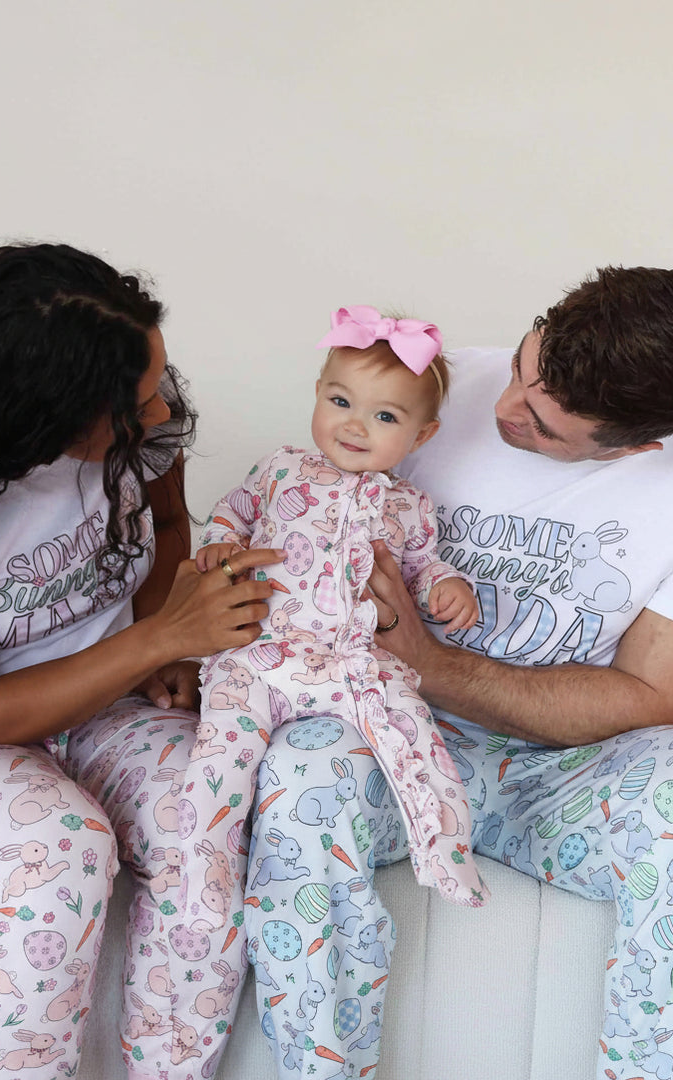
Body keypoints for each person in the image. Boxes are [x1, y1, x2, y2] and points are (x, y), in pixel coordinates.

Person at [247, 266, 673, 1080]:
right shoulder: (429, 390)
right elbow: (295, 514)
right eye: (521, 367)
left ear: (639, 443)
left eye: (544, 426)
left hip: (561, 771)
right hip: (382, 730)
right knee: (300, 779)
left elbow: (651, 696)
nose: (505, 407)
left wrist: (432, 662)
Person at [0, 241, 283, 1080]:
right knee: (62, 847)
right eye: (133, 405)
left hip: (110, 707)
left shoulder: (150, 406)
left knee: (208, 810)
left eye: (157, 383)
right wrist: (163, 637)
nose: (159, 409)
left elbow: (167, 528)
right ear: (44, 416)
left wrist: (163, 646)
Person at [193, 305, 487, 1074]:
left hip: (351, 662)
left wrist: (451, 587)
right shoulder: (281, 467)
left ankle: (442, 848)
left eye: (384, 415)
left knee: (410, 734)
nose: (355, 425)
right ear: (318, 393)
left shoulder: (407, 504)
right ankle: (204, 856)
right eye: (340, 400)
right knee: (221, 751)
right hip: (262, 654)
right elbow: (231, 512)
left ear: (419, 438)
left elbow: (426, 567)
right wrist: (220, 542)